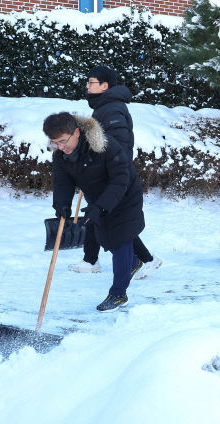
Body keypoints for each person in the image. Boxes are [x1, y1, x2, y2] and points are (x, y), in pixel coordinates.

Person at [44, 112, 145, 312]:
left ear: (77, 133)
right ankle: (134, 261)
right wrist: (62, 204)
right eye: (55, 143)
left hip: (125, 196)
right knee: (105, 235)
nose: (60, 147)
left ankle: (118, 294)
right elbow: (62, 181)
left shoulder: (106, 147)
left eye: (63, 141)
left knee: (120, 239)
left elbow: (120, 181)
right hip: (97, 197)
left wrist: (100, 207)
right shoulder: (61, 155)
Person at [67, 65, 161, 278]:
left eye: (91, 82)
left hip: (112, 174)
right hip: (103, 172)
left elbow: (119, 145)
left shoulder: (113, 109)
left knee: (109, 218)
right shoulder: (104, 106)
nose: (87, 86)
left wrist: (110, 173)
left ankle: (146, 259)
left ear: (105, 86)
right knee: (98, 214)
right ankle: (91, 260)